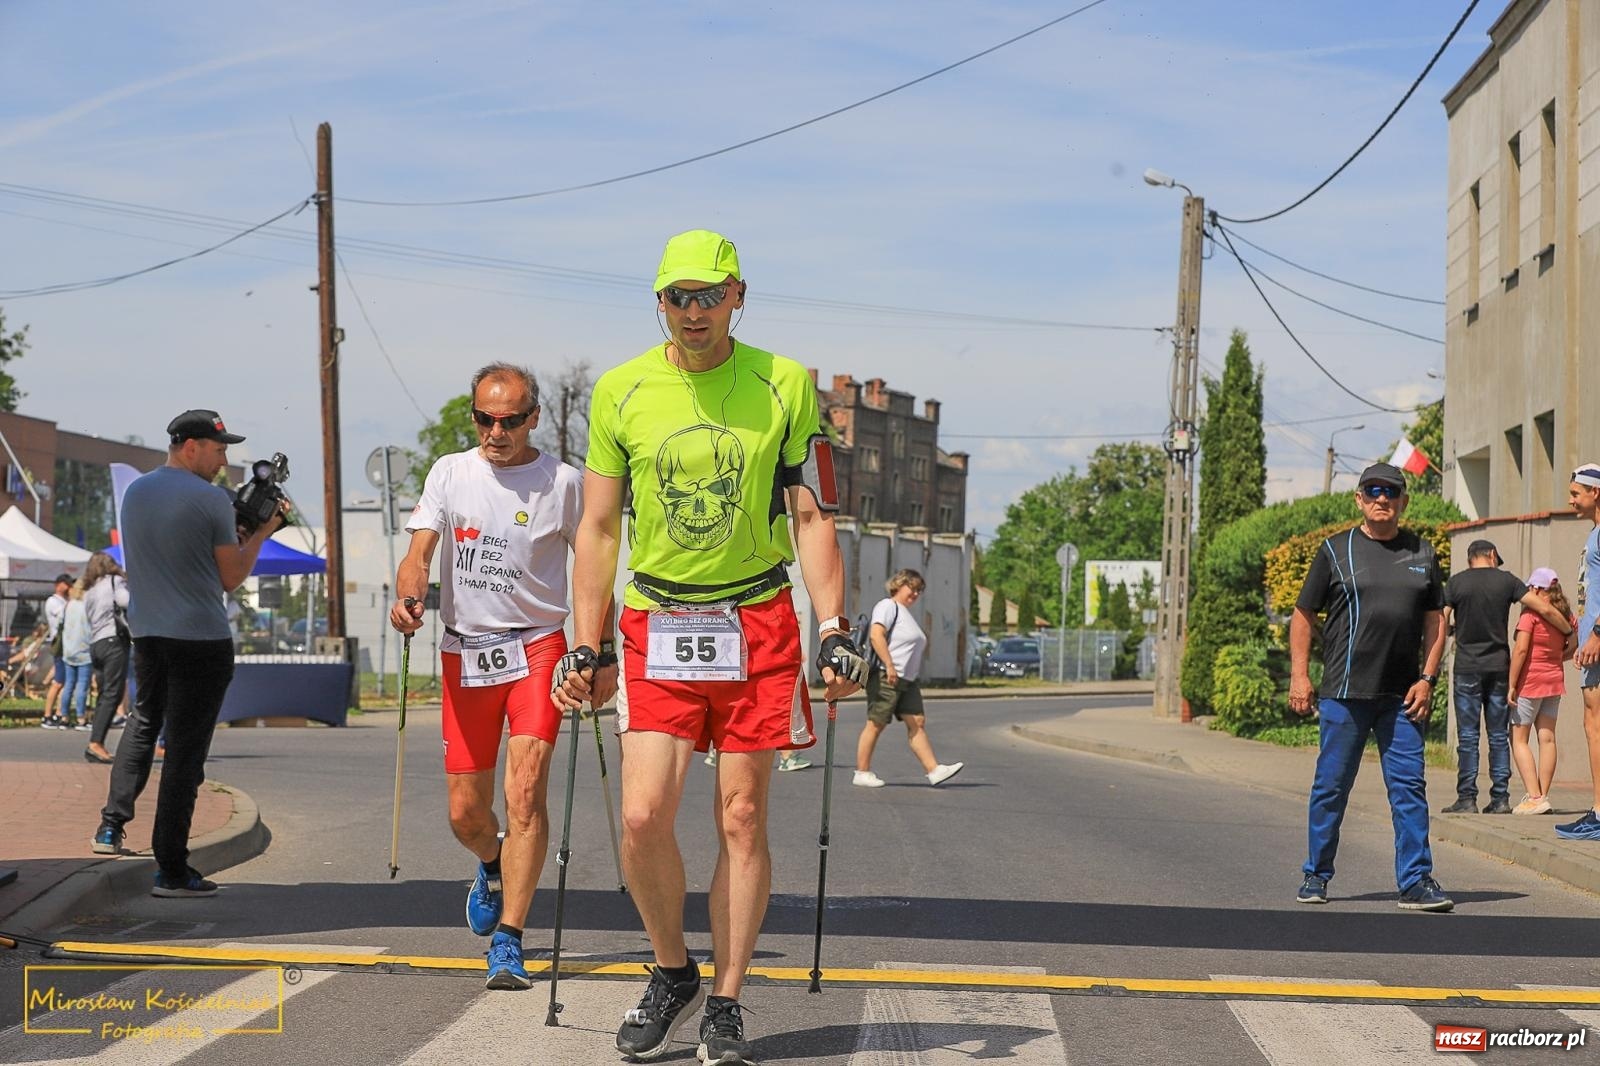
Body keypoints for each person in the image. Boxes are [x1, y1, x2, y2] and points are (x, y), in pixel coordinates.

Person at [554, 229, 865, 1066]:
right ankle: (671, 969)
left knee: (742, 813)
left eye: (709, 295)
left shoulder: (783, 383)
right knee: (643, 812)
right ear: (659, 303)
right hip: (656, 622)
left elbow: (812, 515)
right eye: (676, 297)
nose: (693, 311)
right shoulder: (622, 390)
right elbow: (597, 524)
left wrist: (833, 627)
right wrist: (586, 643)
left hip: (756, 619)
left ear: (738, 296)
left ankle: (726, 998)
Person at [389, 362, 585, 991]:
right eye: (484, 418)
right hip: (464, 650)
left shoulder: (563, 483)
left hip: (538, 649)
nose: (495, 431)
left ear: (534, 417)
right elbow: (420, 550)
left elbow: (595, 564)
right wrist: (410, 594)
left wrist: (597, 647)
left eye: (510, 419)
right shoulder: (451, 471)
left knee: (524, 793)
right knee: (465, 813)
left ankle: (509, 938)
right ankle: (492, 863)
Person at [92, 409, 287, 898]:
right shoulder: (210, 499)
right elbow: (230, 576)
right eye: (219, 449)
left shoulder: (137, 493)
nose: (224, 460)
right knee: (184, 756)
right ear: (190, 445)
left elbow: (175, 552)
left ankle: (111, 825)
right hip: (200, 640)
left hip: (149, 634)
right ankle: (172, 870)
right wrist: (262, 532)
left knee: (142, 723)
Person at [1289, 463, 1452, 911]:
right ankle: (1316, 874)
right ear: (1359, 499)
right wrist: (1300, 675)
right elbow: (1304, 615)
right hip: (1344, 693)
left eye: (1391, 492)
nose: (1382, 498)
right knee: (1331, 786)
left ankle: (1416, 882)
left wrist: (1428, 677)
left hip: (1402, 697)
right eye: (1373, 491)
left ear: (1403, 501)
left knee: (1409, 789)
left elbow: (1436, 620)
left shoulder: (1423, 552)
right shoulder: (1335, 550)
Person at [1440, 539, 1574, 815]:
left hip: (1466, 667)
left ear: (1469, 559)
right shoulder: (1507, 582)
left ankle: (1466, 799)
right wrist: (1569, 632)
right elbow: (1545, 609)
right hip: (1499, 667)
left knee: (1467, 736)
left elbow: (1440, 622)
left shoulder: (1455, 583)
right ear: (1492, 555)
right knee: (1499, 734)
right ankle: (1500, 799)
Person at [853, 568, 963, 788]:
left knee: (917, 721)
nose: (915, 594)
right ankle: (861, 772)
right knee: (876, 723)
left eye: (919, 591)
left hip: (907, 679)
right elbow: (876, 635)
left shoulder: (904, 612)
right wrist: (889, 665)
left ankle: (934, 770)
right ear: (898, 584)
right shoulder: (887, 606)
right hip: (888, 675)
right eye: (911, 588)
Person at [1507, 568, 1575, 815]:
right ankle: (1542, 796)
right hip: (1554, 681)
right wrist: (1557, 659)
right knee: (1547, 739)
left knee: (1519, 739)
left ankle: (1534, 797)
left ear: (1536, 589)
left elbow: (1521, 651)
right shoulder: (1566, 615)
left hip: (1529, 683)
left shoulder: (1530, 615)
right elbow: (1574, 644)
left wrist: (1512, 683)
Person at [1556, 463, 1600, 840]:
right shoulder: (1595, 534)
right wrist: (1580, 635)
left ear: (1595, 493)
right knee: (1592, 722)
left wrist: (1597, 633)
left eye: (1575, 493)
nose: (1571, 500)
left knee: (1596, 724)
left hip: (1598, 643)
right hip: (1590, 643)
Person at [82, 551, 132, 757]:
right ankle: (96, 743)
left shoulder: (90, 590)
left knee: (104, 694)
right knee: (113, 693)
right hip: (113, 640)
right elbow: (125, 601)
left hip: (96, 643)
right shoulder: (115, 582)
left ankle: (96, 741)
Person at [60, 586, 94, 734]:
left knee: (68, 685)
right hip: (84, 650)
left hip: (68, 649)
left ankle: (64, 717)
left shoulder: (68, 605)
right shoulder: (86, 606)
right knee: (82, 686)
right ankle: (81, 718)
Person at [40, 573, 71, 727]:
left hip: (68, 644)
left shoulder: (65, 601)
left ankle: (59, 712)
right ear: (59, 584)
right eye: (66, 584)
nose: (69, 587)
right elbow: (62, 615)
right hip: (59, 644)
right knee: (58, 682)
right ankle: (47, 715)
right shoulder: (53, 601)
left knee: (65, 682)